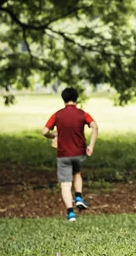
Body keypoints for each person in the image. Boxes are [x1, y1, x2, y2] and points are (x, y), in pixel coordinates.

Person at [42, 87, 98, 222]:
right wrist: (91, 145)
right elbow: (94, 126)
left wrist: (53, 134)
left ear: (63, 99)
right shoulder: (82, 114)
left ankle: (71, 213)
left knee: (65, 183)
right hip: (79, 152)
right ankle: (78, 196)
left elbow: (44, 131)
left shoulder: (57, 115)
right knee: (77, 173)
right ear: (76, 98)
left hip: (63, 154)